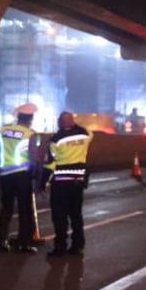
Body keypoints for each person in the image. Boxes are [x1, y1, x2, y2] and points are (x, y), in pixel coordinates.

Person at [43, 111, 92, 258]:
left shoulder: (55, 140)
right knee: (76, 215)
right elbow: (89, 133)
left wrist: (43, 184)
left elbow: (50, 164)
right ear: (72, 121)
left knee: (60, 216)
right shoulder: (84, 134)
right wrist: (74, 124)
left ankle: (61, 247)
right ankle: (77, 245)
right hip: (78, 182)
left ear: (60, 122)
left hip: (61, 183)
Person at [0, 103, 41, 253]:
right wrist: (35, 174)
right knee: (25, 210)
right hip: (22, 175)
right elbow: (33, 157)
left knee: (6, 208)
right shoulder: (29, 134)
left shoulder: (3, 130)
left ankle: (3, 241)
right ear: (30, 118)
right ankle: (23, 243)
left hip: (5, 175)